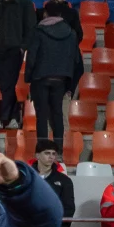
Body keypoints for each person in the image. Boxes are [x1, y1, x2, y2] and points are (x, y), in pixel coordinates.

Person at [27, 10, 82, 148]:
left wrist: (28, 77)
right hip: (61, 79)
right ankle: (58, 151)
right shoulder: (71, 33)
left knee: (42, 115)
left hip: (40, 77)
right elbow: (76, 60)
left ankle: (43, 150)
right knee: (57, 114)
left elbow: (31, 57)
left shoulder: (39, 31)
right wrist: (69, 83)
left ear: (46, 15)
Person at [0, 0, 35, 129]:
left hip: (14, 51)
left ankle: (3, 119)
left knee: (7, 85)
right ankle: (15, 117)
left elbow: (31, 28)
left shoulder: (25, 3)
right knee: (6, 85)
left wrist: (23, 48)